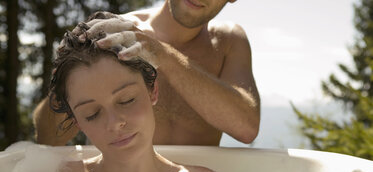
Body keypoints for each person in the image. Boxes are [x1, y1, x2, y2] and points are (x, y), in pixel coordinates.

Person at [51, 20, 235, 172]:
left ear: (153, 91)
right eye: (92, 113)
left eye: (126, 100)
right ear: (77, 121)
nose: (114, 123)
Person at [33, 0, 260, 146]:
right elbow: (47, 139)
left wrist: (163, 56)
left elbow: (247, 128)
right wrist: (66, 80)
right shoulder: (116, 32)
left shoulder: (228, 41)